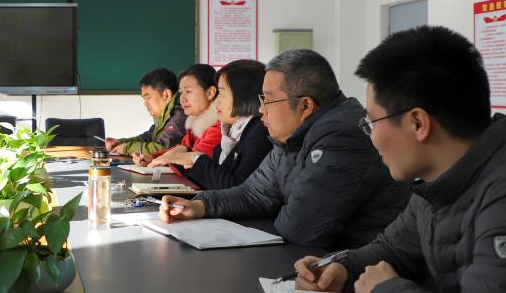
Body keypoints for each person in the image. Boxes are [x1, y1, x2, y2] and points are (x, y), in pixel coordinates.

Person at [292, 27, 506, 293]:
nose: (371, 137)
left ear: (418, 123)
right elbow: (395, 248)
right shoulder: (438, 182)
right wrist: (340, 267)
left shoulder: (498, 192)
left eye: (371, 122)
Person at [159, 49, 410, 249]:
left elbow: (300, 229)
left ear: (305, 106)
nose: (261, 109)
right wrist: (199, 206)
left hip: (354, 272)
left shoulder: (342, 136)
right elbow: (253, 193)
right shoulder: (290, 134)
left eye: (267, 99)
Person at [174, 59, 271, 190]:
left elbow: (236, 188)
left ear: (243, 95)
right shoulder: (231, 130)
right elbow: (213, 178)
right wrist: (184, 157)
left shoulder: (260, 132)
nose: (217, 100)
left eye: (222, 93)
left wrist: (193, 158)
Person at [134, 64, 220, 168]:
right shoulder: (195, 124)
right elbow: (183, 148)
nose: (182, 99)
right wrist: (153, 158)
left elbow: (194, 163)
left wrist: (163, 160)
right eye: (181, 93)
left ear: (210, 93)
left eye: (188, 91)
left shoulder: (218, 128)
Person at [104, 67, 186, 155]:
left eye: (148, 98)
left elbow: (162, 148)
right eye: (144, 99)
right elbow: (149, 137)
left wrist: (127, 148)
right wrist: (120, 142)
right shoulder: (165, 113)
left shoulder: (180, 113)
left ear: (166, 95)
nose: (145, 103)